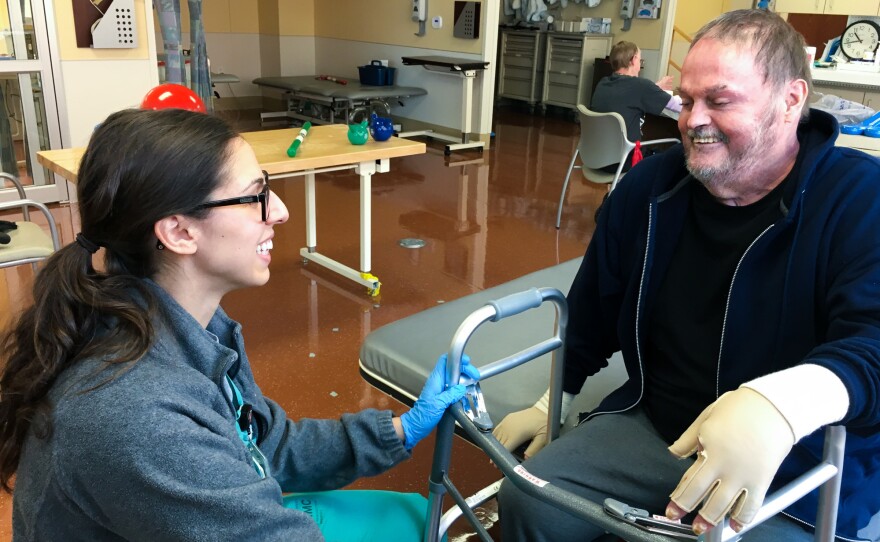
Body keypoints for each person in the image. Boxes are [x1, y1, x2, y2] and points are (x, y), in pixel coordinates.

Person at [0, 108, 479, 540]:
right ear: (180, 232)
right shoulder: (136, 415)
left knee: (417, 517)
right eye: (256, 197)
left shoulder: (191, 327)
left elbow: (265, 445)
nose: (281, 212)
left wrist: (403, 428)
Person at [494, 9, 879, 542]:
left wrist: (786, 405)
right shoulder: (651, 187)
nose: (692, 119)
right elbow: (592, 310)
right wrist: (551, 400)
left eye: (719, 101)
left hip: (793, 472)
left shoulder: (859, 199)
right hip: (657, 427)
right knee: (530, 501)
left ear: (790, 100)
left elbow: (874, 342)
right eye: (688, 99)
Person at [591, 40, 680, 172]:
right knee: (673, 155)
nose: (640, 64)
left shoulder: (603, 83)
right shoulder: (640, 86)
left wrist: (654, 88)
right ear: (633, 60)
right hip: (624, 160)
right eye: (640, 59)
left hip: (595, 157)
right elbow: (678, 106)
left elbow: (628, 95)